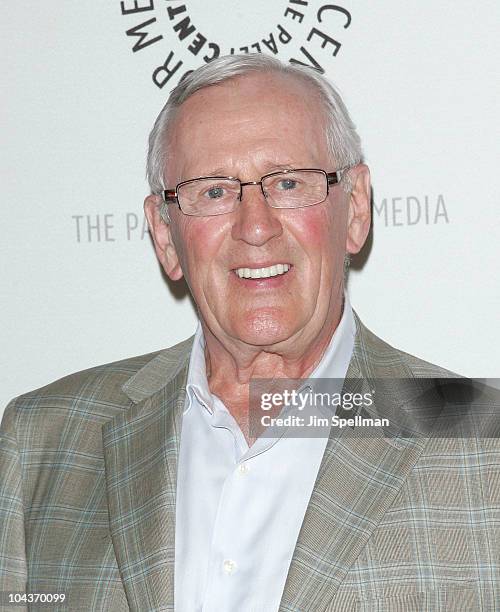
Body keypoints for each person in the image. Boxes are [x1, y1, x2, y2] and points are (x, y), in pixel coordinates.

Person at [0, 54, 498, 611]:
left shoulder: (480, 440)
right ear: (166, 235)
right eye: (213, 192)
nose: (255, 226)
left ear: (355, 209)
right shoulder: (42, 441)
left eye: (288, 183)